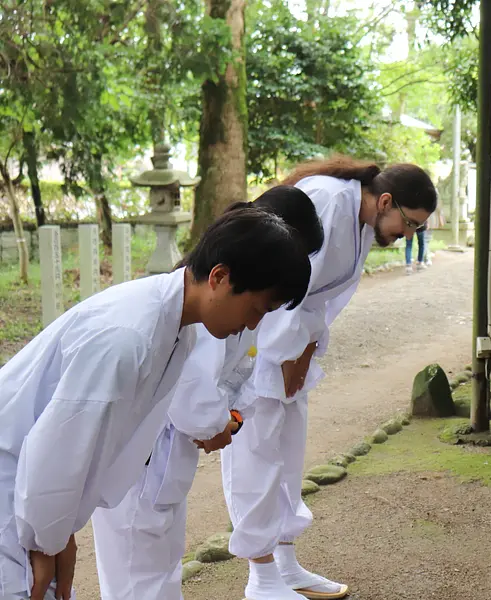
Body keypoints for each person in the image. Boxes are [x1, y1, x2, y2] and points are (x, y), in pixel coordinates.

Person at [0, 207, 311, 600]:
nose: (252, 325)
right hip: (13, 485)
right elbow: (59, 447)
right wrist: (45, 540)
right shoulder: (129, 337)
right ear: (220, 277)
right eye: (256, 309)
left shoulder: (176, 328)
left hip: (33, 497)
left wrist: (56, 534)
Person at [90, 187, 325, 600]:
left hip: (165, 464)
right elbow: (195, 399)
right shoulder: (191, 315)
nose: (257, 319)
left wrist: (229, 417)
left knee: (160, 570)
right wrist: (220, 421)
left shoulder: (228, 311)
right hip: (140, 462)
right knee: (136, 578)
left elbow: (241, 375)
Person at [222, 155, 437, 600]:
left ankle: (286, 561)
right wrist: (284, 354)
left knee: (288, 452)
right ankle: (260, 576)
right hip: (258, 340)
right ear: (386, 200)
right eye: (409, 224)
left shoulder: (361, 221)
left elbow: (318, 300)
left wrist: (302, 355)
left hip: (293, 348)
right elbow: (284, 282)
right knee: (255, 453)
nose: (407, 236)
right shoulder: (326, 199)